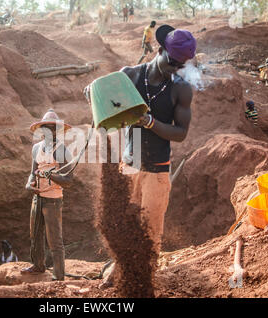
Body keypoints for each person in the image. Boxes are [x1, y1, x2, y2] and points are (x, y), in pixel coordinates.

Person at [102, 24, 196, 288]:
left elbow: (180, 134)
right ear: (160, 49)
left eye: (182, 65)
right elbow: (105, 109)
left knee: (151, 232)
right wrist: (93, 95)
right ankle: (118, 269)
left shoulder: (182, 89)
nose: (177, 68)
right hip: (129, 165)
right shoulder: (128, 76)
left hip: (157, 169)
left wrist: (150, 122)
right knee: (122, 223)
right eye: (174, 62)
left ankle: (143, 282)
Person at [20, 110, 73, 281]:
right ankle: (38, 265)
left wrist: (50, 176)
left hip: (53, 199)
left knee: (54, 239)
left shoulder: (62, 150)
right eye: (46, 128)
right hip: (38, 197)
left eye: (53, 128)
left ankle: (58, 275)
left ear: (58, 130)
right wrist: (29, 184)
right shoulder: (36, 148)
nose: (50, 131)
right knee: (35, 233)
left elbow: (68, 180)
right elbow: (32, 172)